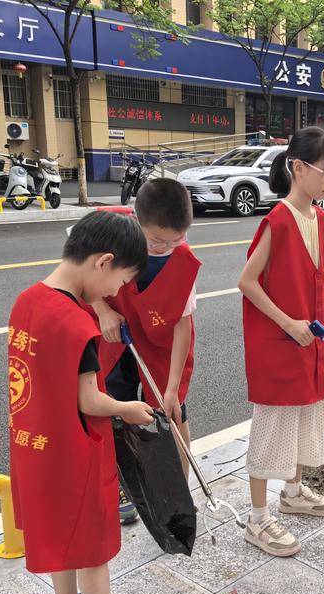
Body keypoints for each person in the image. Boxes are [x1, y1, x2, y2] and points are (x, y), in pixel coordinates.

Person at [7, 210, 154, 594]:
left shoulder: (26, 302)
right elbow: (88, 400)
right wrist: (128, 408)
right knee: (92, 549)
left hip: (35, 449)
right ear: (103, 262)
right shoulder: (75, 322)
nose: (115, 292)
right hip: (74, 456)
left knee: (60, 541)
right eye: (120, 281)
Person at [238, 126, 324, 556]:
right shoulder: (277, 221)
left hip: (311, 341)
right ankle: (257, 518)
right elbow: (247, 282)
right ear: (298, 168)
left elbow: (322, 275)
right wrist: (287, 323)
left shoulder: (322, 220)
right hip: (281, 344)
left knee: (305, 415)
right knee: (273, 427)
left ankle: (294, 492)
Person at [92, 180, 200, 525]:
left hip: (162, 340)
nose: (166, 248)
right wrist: (102, 311)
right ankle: (123, 483)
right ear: (137, 221)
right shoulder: (113, 236)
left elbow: (183, 325)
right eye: (156, 241)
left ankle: (179, 495)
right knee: (115, 407)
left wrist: (171, 389)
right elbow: (79, 278)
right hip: (116, 333)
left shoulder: (183, 260)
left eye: (175, 240)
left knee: (171, 413)